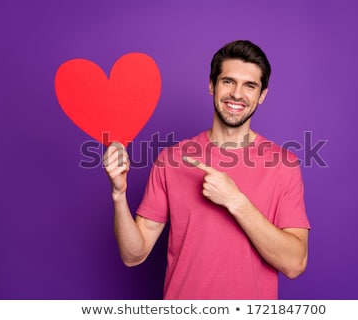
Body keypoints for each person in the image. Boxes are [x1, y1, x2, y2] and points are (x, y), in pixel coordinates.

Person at [103, 40, 310, 299]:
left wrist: (236, 201)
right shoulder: (171, 160)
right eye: (228, 81)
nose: (237, 94)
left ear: (262, 95)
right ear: (211, 85)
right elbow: (134, 255)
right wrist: (119, 195)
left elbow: (295, 264)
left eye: (250, 85)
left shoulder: (284, 165)